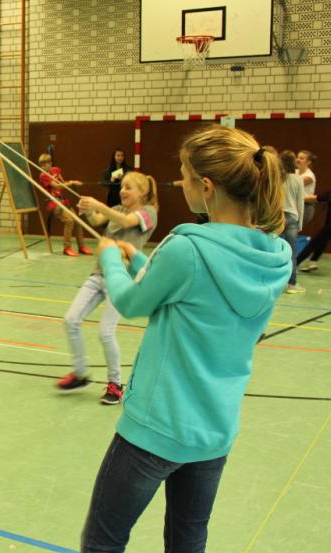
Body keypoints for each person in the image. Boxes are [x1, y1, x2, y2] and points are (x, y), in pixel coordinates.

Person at [80, 125, 290, 552]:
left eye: (185, 175)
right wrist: (137, 256)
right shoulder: (275, 257)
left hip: (155, 429)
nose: (180, 182)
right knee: (188, 540)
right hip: (214, 429)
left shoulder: (187, 249)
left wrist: (109, 257)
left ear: (207, 187)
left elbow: (134, 301)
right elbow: (189, 288)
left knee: (103, 541)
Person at [56, 172, 159, 404]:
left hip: (121, 279)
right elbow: (96, 221)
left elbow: (125, 223)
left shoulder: (148, 213)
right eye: (122, 187)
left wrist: (98, 205)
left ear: (142, 192)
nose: (123, 191)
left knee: (105, 331)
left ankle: (115, 384)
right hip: (98, 274)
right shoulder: (118, 209)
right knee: (71, 320)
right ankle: (80, 373)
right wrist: (88, 210)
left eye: (128, 187)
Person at [37, 152, 91, 257]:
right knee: (69, 221)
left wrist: (73, 184)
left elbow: (63, 182)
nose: (44, 167)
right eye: (41, 165)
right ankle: (67, 248)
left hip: (64, 201)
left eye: (46, 164)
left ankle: (82, 246)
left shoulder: (56, 170)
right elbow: (56, 186)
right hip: (54, 203)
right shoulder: (43, 175)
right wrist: (71, 182)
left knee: (77, 221)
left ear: (50, 163)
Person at [279, 150, 305, 293]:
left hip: (278, 217)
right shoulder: (298, 179)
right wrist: (300, 222)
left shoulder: (278, 178)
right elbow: (300, 203)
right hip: (292, 217)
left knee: (273, 249)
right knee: (292, 252)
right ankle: (292, 284)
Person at [297, 150, 317, 227]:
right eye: (297, 157)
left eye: (301, 158)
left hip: (306, 206)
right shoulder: (294, 172)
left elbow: (295, 184)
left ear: (308, 162)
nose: (298, 160)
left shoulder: (309, 176)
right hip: (295, 204)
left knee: (293, 227)